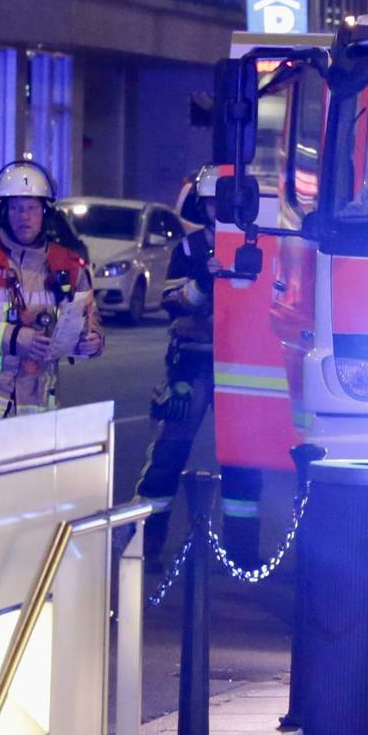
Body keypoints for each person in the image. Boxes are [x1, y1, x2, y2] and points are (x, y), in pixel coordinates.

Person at [0, 160, 105, 423]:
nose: (23, 216)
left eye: (31, 208)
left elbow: (87, 317)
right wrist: (17, 338)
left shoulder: (67, 265)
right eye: (15, 208)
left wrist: (92, 340)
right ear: (3, 212)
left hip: (37, 408)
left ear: (44, 213)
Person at [135, 168, 222, 565]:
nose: (220, 208)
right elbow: (171, 301)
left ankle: (245, 557)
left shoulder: (261, 244)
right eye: (212, 200)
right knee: (169, 455)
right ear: (202, 204)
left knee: (244, 468)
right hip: (190, 363)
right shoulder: (188, 250)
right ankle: (145, 548)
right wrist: (202, 284)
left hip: (240, 366)